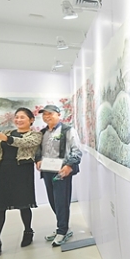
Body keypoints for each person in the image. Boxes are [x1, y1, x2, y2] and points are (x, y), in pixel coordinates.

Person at [0, 107, 42, 259]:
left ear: (31, 120)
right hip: (2, 171)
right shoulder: (8, 132)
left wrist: (5, 138)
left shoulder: (35, 135)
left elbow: (24, 143)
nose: (18, 120)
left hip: (22, 171)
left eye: (22, 117)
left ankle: (28, 231)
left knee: (24, 204)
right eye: (16, 117)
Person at [35, 104, 82, 247]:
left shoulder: (68, 130)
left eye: (50, 113)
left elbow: (76, 150)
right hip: (47, 171)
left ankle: (62, 230)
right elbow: (38, 150)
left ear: (58, 115)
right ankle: (63, 227)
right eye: (44, 114)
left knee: (61, 201)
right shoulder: (42, 132)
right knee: (53, 201)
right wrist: (38, 160)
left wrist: (69, 165)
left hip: (62, 171)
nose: (47, 116)